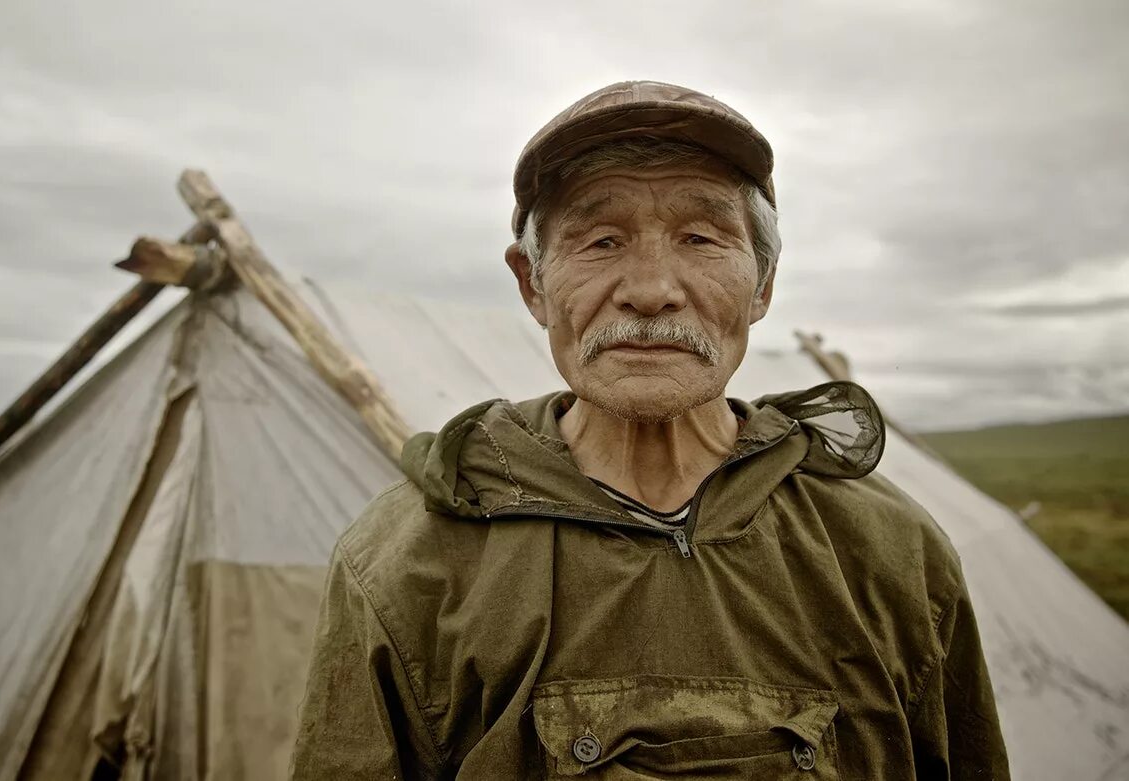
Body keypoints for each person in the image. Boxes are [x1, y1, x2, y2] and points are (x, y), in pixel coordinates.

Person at [291, 80, 1011, 779]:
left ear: (762, 284)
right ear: (532, 284)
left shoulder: (888, 551)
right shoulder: (407, 564)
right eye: (601, 240)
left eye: (700, 237)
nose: (649, 289)